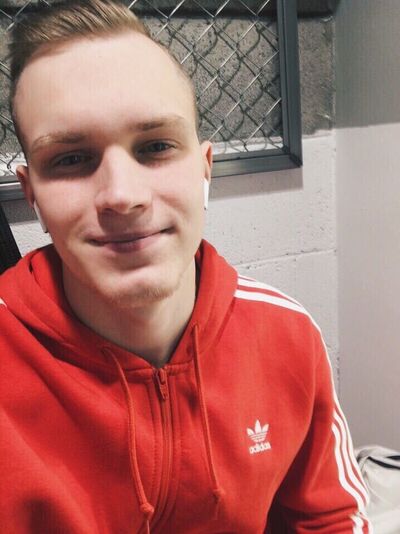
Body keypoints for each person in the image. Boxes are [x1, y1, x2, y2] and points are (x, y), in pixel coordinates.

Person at [0, 1, 371, 532]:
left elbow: (333, 517)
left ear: (204, 168)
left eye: (155, 147)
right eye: (71, 159)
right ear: (31, 192)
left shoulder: (286, 335)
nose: (122, 196)